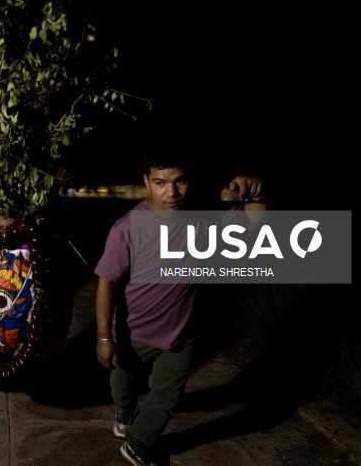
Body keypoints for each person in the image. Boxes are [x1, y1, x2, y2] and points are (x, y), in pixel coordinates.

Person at [94, 149, 266, 466]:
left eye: (180, 181)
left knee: (166, 396)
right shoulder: (126, 229)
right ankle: (124, 409)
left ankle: (137, 443)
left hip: (181, 335)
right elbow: (107, 283)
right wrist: (105, 336)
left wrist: (258, 191)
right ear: (146, 182)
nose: (171, 193)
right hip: (132, 332)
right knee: (123, 382)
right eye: (160, 182)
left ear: (190, 181)